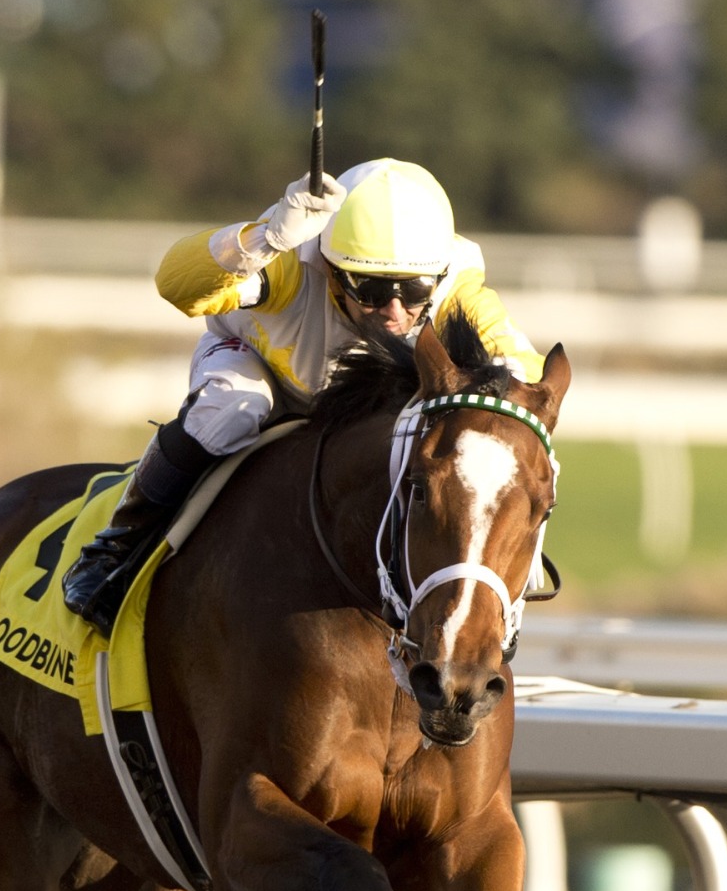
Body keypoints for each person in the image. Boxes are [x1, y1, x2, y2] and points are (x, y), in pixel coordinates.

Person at [62, 157, 547, 635]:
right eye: (372, 289)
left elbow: (527, 379)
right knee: (234, 408)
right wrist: (266, 236)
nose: (395, 311)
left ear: (437, 275)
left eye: (415, 289)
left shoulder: (457, 286)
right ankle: (117, 545)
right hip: (263, 367)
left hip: (360, 398)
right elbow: (175, 285)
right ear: (333, 270)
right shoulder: (292, 261)